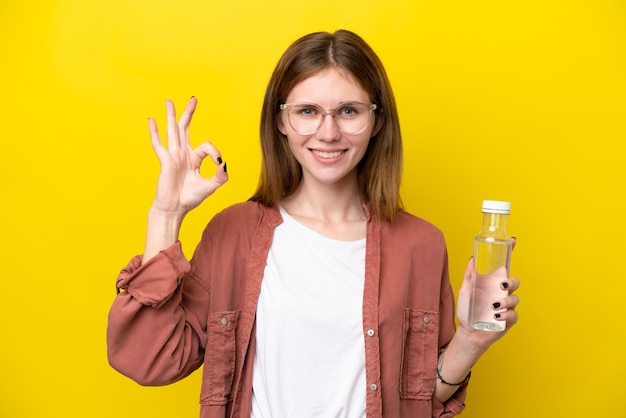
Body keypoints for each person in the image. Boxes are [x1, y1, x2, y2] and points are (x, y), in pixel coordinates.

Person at [106, 29, 520, 418]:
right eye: (307, 111)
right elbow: (149, 361)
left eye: (348, 111)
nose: (328, 132)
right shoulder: (232, 233)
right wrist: (166, 215)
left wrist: (471, 339)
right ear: (281, 122)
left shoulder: (422, 244)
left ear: (376, 121)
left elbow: (415, 399)